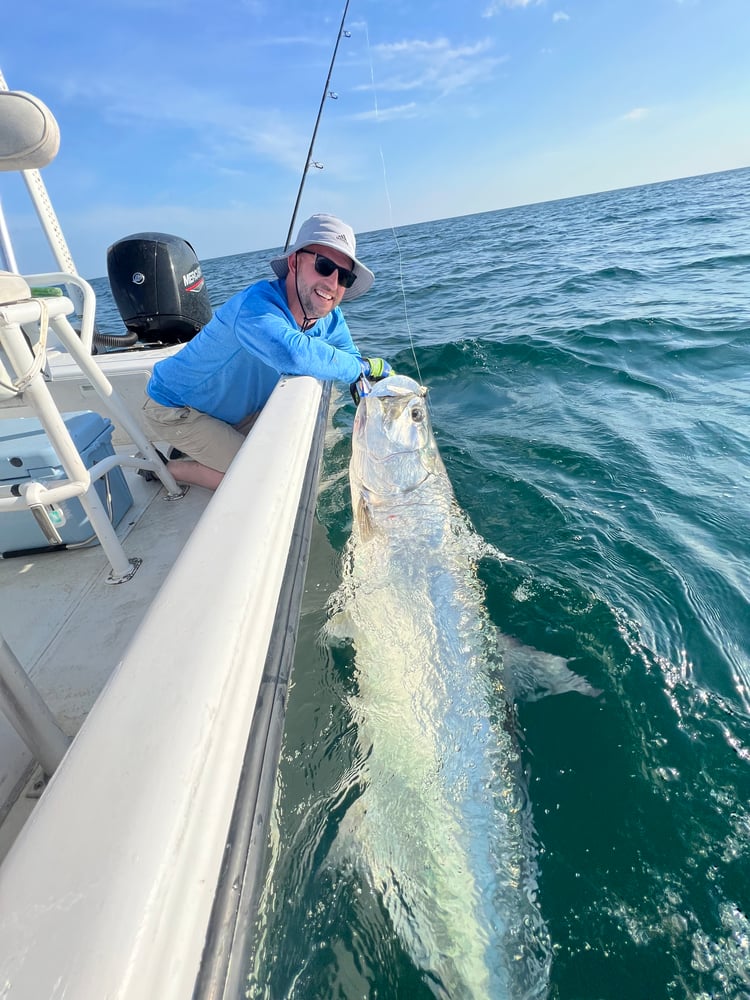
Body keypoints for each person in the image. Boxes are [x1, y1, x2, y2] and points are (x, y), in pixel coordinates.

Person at [140, 213, 391, 490]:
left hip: (235, 413)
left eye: (344, 276)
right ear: (294, 262)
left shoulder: (330, 319)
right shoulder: (255, 307)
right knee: (264, 480)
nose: (332, 283)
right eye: (324, 266)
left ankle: (205, 447)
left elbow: (350, 357)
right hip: (177, 408)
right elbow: (293, 354)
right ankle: (165, 468)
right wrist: (363, 368)